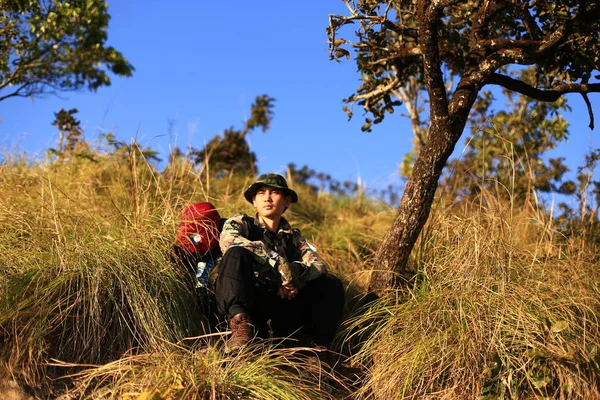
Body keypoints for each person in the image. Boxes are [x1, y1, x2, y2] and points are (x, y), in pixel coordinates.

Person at [216, 173, 345, 353]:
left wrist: (295, 276)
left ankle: (316, 348)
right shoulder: (240, 224)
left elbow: (317, 265)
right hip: (250, 299)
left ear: (286, 201)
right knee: (236, 254)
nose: (267, 198)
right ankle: (240, 328)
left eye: (274, 193)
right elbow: (230, 242)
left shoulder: (294, 237)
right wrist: (277, 265)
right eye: (261, 193)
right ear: (254, 200)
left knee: (331, 283)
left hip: (282, 304)